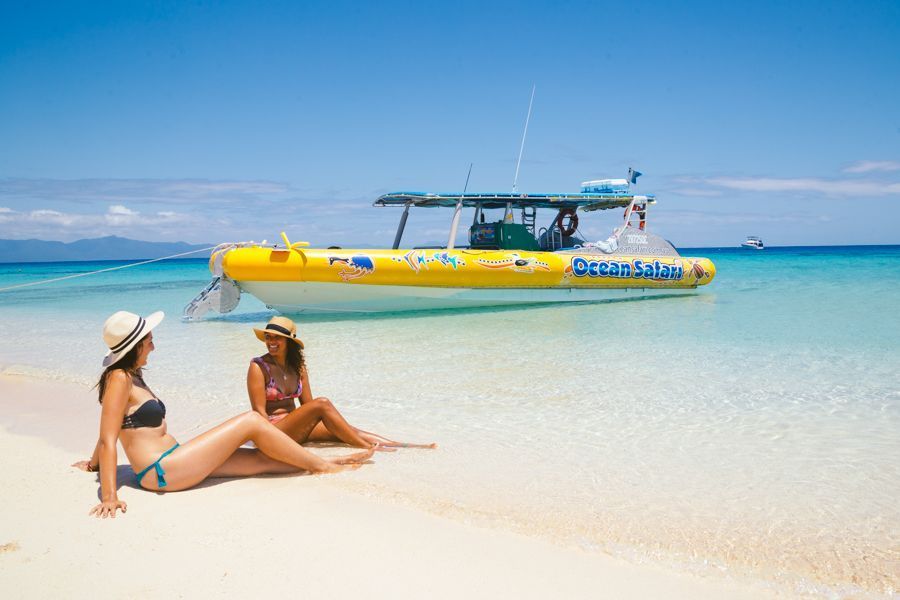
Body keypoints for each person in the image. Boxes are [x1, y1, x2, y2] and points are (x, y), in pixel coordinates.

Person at [73, 310, 373, 518]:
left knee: (266, 461)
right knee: (252, 421)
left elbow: (110, 429)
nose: (153, 343)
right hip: (161, 472)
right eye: (149, 339)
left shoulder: (132, 375)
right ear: (136, 345)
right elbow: (108, 437)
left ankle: (328, 463)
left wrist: (92, 465)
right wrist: (109, 497)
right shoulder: (120, 378)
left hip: (176, 459)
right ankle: (325, 467)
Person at [247, 316, 436, 450]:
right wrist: (269, 443)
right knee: (323, 404)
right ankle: (366, 447)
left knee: (345, 430)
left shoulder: (298, 367)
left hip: (295, 429)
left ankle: (399, 445)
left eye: (277, 337)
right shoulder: (259, 367)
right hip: (274, 431)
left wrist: (329, 425)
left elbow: (307, 406)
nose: (271, 341)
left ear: (289, 341)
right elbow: (259, 413)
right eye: (268, 337)